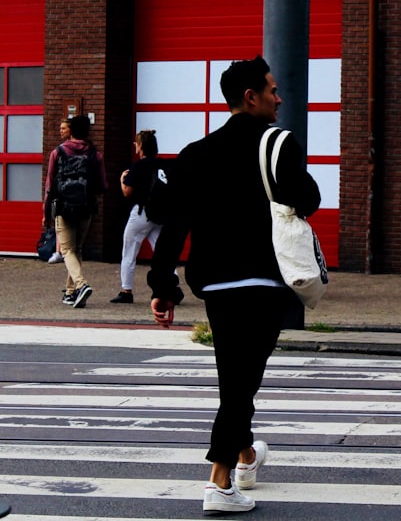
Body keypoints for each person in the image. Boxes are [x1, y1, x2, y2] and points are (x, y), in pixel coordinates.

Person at [148, 55, 320, 514]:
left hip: (217, 285)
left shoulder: (195, 153)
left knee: (236, 377)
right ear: (250, 98)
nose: (279, 99)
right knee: (242, 383)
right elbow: (305, 199)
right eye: (272, 90)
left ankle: (245, 457)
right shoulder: (278, 144)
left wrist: (163, 285)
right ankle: (219, 482)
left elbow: (174, 225)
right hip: (264, 282)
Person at [42, 115, 108, 308]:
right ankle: (71, 293)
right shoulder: (95, 154)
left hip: (63, 206)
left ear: (71, 130)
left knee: (67, 250)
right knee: (77, 249)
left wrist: (46, 212)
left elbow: (49, 185)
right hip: (86, 207)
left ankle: (81, 285)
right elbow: (103, 185)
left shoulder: (58, 152)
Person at [112, 130, 163, 304]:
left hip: (141, 213)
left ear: (140, 146)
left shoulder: (138, 166)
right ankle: (173, 287)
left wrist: (121, 180)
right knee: (163, 251)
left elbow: (128, 191)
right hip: (159, 213)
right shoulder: (161, 165)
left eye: (136, 143)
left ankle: (126, 290)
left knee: (129, 251)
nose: (135, 146)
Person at [44, 119, 73, 264]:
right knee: (59, 223)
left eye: (63, 128)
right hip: (61, 192)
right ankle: (58, 251)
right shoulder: (58, 150)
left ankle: (62, 252)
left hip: (69, 192)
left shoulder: (60, 152)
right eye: (60, 128)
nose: (60, 131)